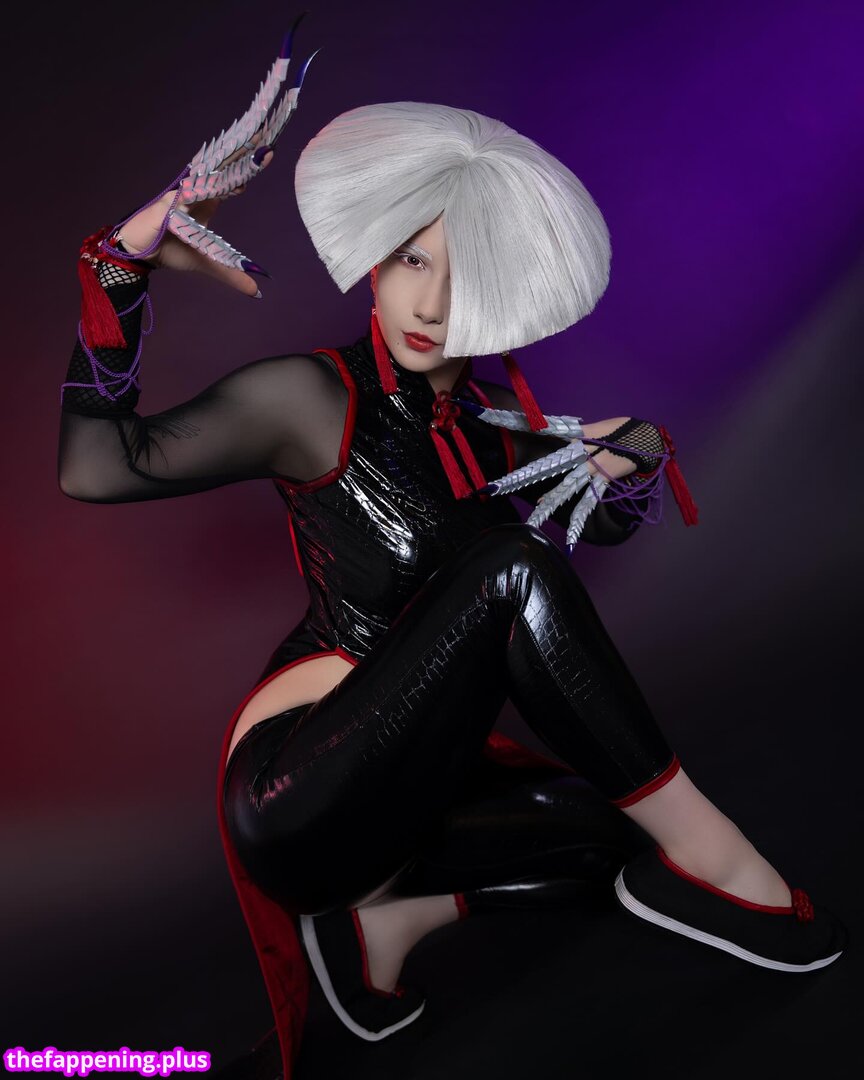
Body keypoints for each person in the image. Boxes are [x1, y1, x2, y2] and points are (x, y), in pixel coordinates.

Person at [57, 25, 846, 1080]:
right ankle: (729, 868)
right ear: (375, 264)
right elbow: (99, 467)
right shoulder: (310, 397)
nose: (430, 302)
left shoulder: (491, 432)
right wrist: (123, 260)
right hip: (299, 793)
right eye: (411, 259)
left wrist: (640, 452)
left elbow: (605, 521)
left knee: (612, 834)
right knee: (515, 576)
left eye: (463, 273)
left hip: (416, 781)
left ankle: (385, 925)